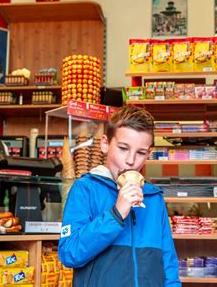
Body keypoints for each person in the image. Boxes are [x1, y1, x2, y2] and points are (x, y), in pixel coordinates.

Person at [58, 105, 181, 286]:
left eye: (140, 153)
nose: (131, 160)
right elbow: (69, 253)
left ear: (149, 153)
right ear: (105, 144)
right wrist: (115, 214)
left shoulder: (154, 197)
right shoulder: (85, 189)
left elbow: (168, 262)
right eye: (123, 148)